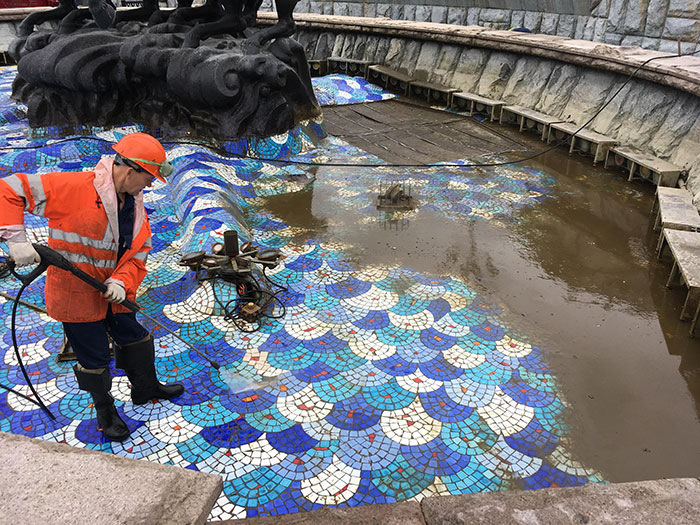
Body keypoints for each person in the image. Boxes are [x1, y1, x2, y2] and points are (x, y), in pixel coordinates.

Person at [0, 132, 184, 442]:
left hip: (115, 293)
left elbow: (139, 253)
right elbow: (8, 189)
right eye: (148, 178)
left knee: (135, 337)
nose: (150, 186)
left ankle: (145, 388)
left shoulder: (134, 204)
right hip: (77, 294)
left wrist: (120, 281)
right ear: (129, 171)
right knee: (94, 357)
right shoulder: (72, 188)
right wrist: (15, 239)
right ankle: (105, 411)